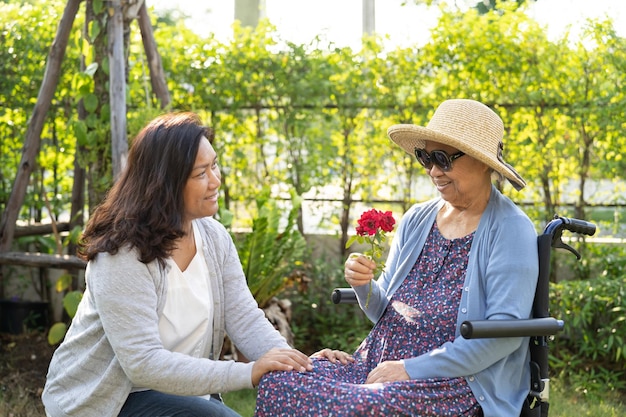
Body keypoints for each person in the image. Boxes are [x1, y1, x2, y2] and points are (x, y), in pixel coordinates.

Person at [255, 99, 539, 417]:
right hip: (378, 365)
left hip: (452, 382)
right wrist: (363, 286)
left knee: (360, 407)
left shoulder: (511, 229)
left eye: (443, 158)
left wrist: (409, 368)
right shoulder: (418, 218)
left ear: (483, 161)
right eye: (426, 157)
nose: (433, 170)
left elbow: (504, 337)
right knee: (279, 381)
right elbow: (384, 312)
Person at [42, 112, 315, 417]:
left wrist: (297, 365)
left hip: (177, 396)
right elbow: (143, 364)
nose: (215, 180)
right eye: (201, 173)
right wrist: (247, 372)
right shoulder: (121, 254)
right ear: (165, 184)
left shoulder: (213, 237)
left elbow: (245, 318)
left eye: (214, 165)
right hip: (107, 402)